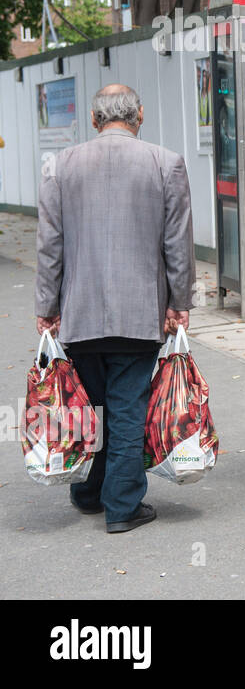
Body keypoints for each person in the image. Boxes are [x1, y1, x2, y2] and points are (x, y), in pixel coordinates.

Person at [35, 84, 194, 533]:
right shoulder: (166, 163)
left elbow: (50, 246)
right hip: (138, 313)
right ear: (139, 115)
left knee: (89, 405)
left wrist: (47, 306)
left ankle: (90, 491)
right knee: (127, 408)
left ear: (93, 119)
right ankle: (120, 505)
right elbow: (176, 245)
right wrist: (179, 302)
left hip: (79, 313)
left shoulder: (59, 166)